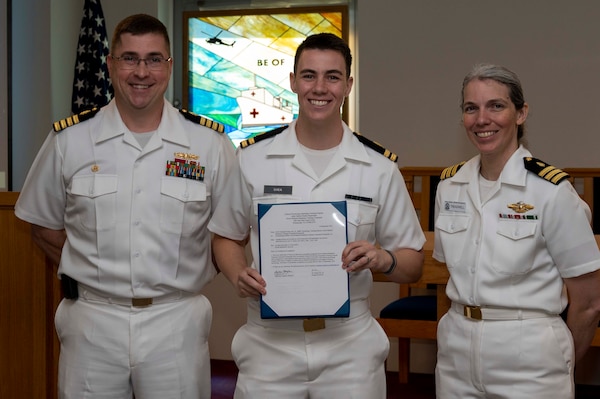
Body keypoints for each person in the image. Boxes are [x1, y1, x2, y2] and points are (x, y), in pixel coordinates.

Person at [15, 13, 236, 399]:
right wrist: (95, 270)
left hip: (176, 322)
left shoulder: (209, 145)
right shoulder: (70, 141)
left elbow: (230, 230)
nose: (141, 71)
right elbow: (43, 226)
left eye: (153, 59)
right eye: (129, 58)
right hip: (92, 323)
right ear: (110, 64)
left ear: (169, 66)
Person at [207, 32, 425, 398]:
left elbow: (413, 263)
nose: (319, 87)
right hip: (269, 344)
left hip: (349, 346)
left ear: (348, 85)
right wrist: (236, 273)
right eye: (309, 75)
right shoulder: (252, 160)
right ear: (293, 81)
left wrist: (380, 258)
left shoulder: (377, 167)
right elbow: (226, 236)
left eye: (333, 76)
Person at [433, 63, 600, 398]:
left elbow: (589, 302)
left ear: (521, 113)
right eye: (471, 108)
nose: (482, 119)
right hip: (456, 353)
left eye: (496, 106)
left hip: (530, 358)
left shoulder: (551, 192)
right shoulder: (450, 186)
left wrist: (558, 361)